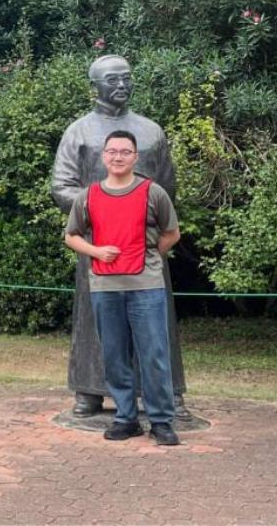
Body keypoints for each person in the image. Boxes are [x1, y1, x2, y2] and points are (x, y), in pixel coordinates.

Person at [51, 54, 188, 418]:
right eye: (112, 80)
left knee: (155, 321)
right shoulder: (79, 131)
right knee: (96, 320)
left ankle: (169, 393)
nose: (121, 85)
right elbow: (61, 186)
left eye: (126, 78)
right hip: (98, 244)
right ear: (94, 86)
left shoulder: (151, 131)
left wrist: (146, 228)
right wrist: (101, 211)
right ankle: (89, 390)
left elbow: (167, 188)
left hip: (145, 246)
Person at [64, 130, 181, 446]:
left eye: (125, 152)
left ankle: (161, 422)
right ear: (104, 156)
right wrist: (96, 251)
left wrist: (148, 255)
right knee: (114, 356)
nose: (118, 157)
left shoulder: (153, 192)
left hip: (147, 287)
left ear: (135, 157)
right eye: (112, 151)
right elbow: (71, 236)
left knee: (154, 354)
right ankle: (126, 418)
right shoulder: (88, 196)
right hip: (104, 287)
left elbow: (172, 233)